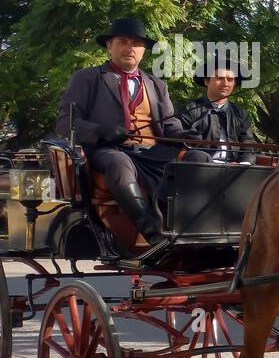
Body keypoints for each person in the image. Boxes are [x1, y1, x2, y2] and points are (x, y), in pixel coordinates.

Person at [54, 17, 210, 244]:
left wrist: (184, 136)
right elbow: (65, 123)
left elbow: (170, 127)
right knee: (119, 162)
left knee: (200, 158)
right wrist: (102, 131)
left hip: (153, 152)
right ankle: (154, 235)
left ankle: (192, 229)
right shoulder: (87, 78)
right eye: (123, 41)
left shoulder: (157, 84)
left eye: (136, 43)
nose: (130, 48)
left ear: (144, 50)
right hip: (109, 151)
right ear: (109, 46)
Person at [177, 64, 257, 163]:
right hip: (201, 167)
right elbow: (185, 146)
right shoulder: (190, 110)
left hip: (235, 169)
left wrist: (243, 164)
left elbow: (248, 144)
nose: (225, 84)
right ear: (206, 81)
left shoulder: (240, 113)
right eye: (219, 78)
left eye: (230, 79)